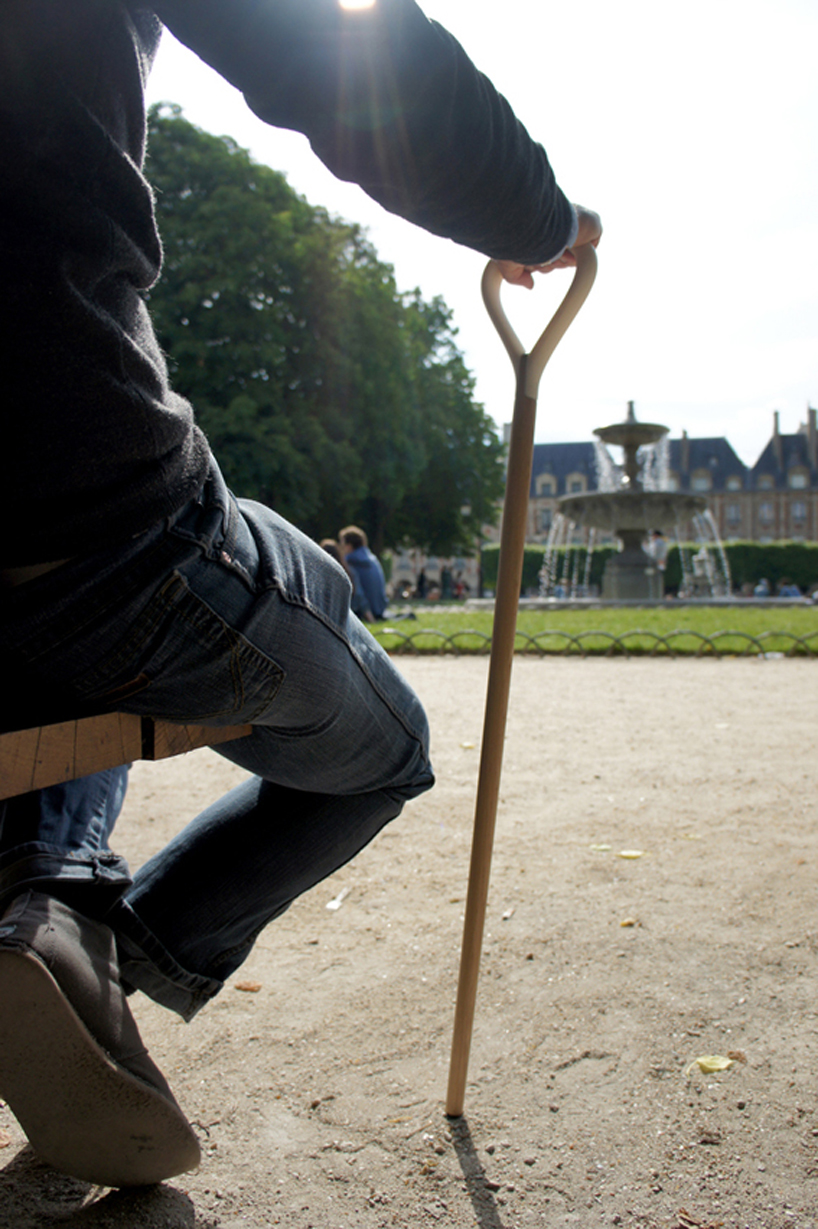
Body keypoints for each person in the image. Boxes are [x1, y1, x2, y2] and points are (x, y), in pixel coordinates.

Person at [0, 0, 601, 1189]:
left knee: (69, 651)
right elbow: (334, 50)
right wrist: (532, 212)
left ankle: (46, 896)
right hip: (82, 505)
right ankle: (100, 947)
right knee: (379, 742)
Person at [339, 526, 389, 621]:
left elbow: (358, 592)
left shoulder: (350, 561)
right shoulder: (372, 559)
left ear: (349, 545)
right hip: (379, 609)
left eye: (342, 544)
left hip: (366, 611)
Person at [320, 536, 372, 621]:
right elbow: (360, 597)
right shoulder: (349, 572)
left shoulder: (320, 574)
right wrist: (370, 618)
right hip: (351, 613)